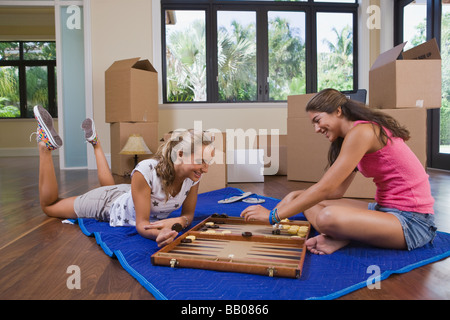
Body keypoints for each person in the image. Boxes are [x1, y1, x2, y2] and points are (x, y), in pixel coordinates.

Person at [241, 88, 437, 255]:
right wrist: (291, 199)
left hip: (413, 222)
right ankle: (343, 235)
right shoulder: (351, 137)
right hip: (384, 209)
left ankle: (343, 233)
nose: (317, 129)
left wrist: (272, 216)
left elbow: (327, 188)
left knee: (326, 216)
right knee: (301, 198)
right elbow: (337, 192)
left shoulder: (363, 132)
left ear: (338, 111)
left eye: (318, 120)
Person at [33, 105, 214, 247]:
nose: (205, 169)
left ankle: (95, 143)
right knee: (50, 206)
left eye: (208, 162)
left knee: (110, 187)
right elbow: (141, 224)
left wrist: (180, 220)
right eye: (201, 161)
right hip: (107, 203)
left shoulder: (193, 177)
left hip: (129, 194)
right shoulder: (146, 171)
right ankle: (45, 147)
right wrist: (158, 233)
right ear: (180, 154)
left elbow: (188, 214)